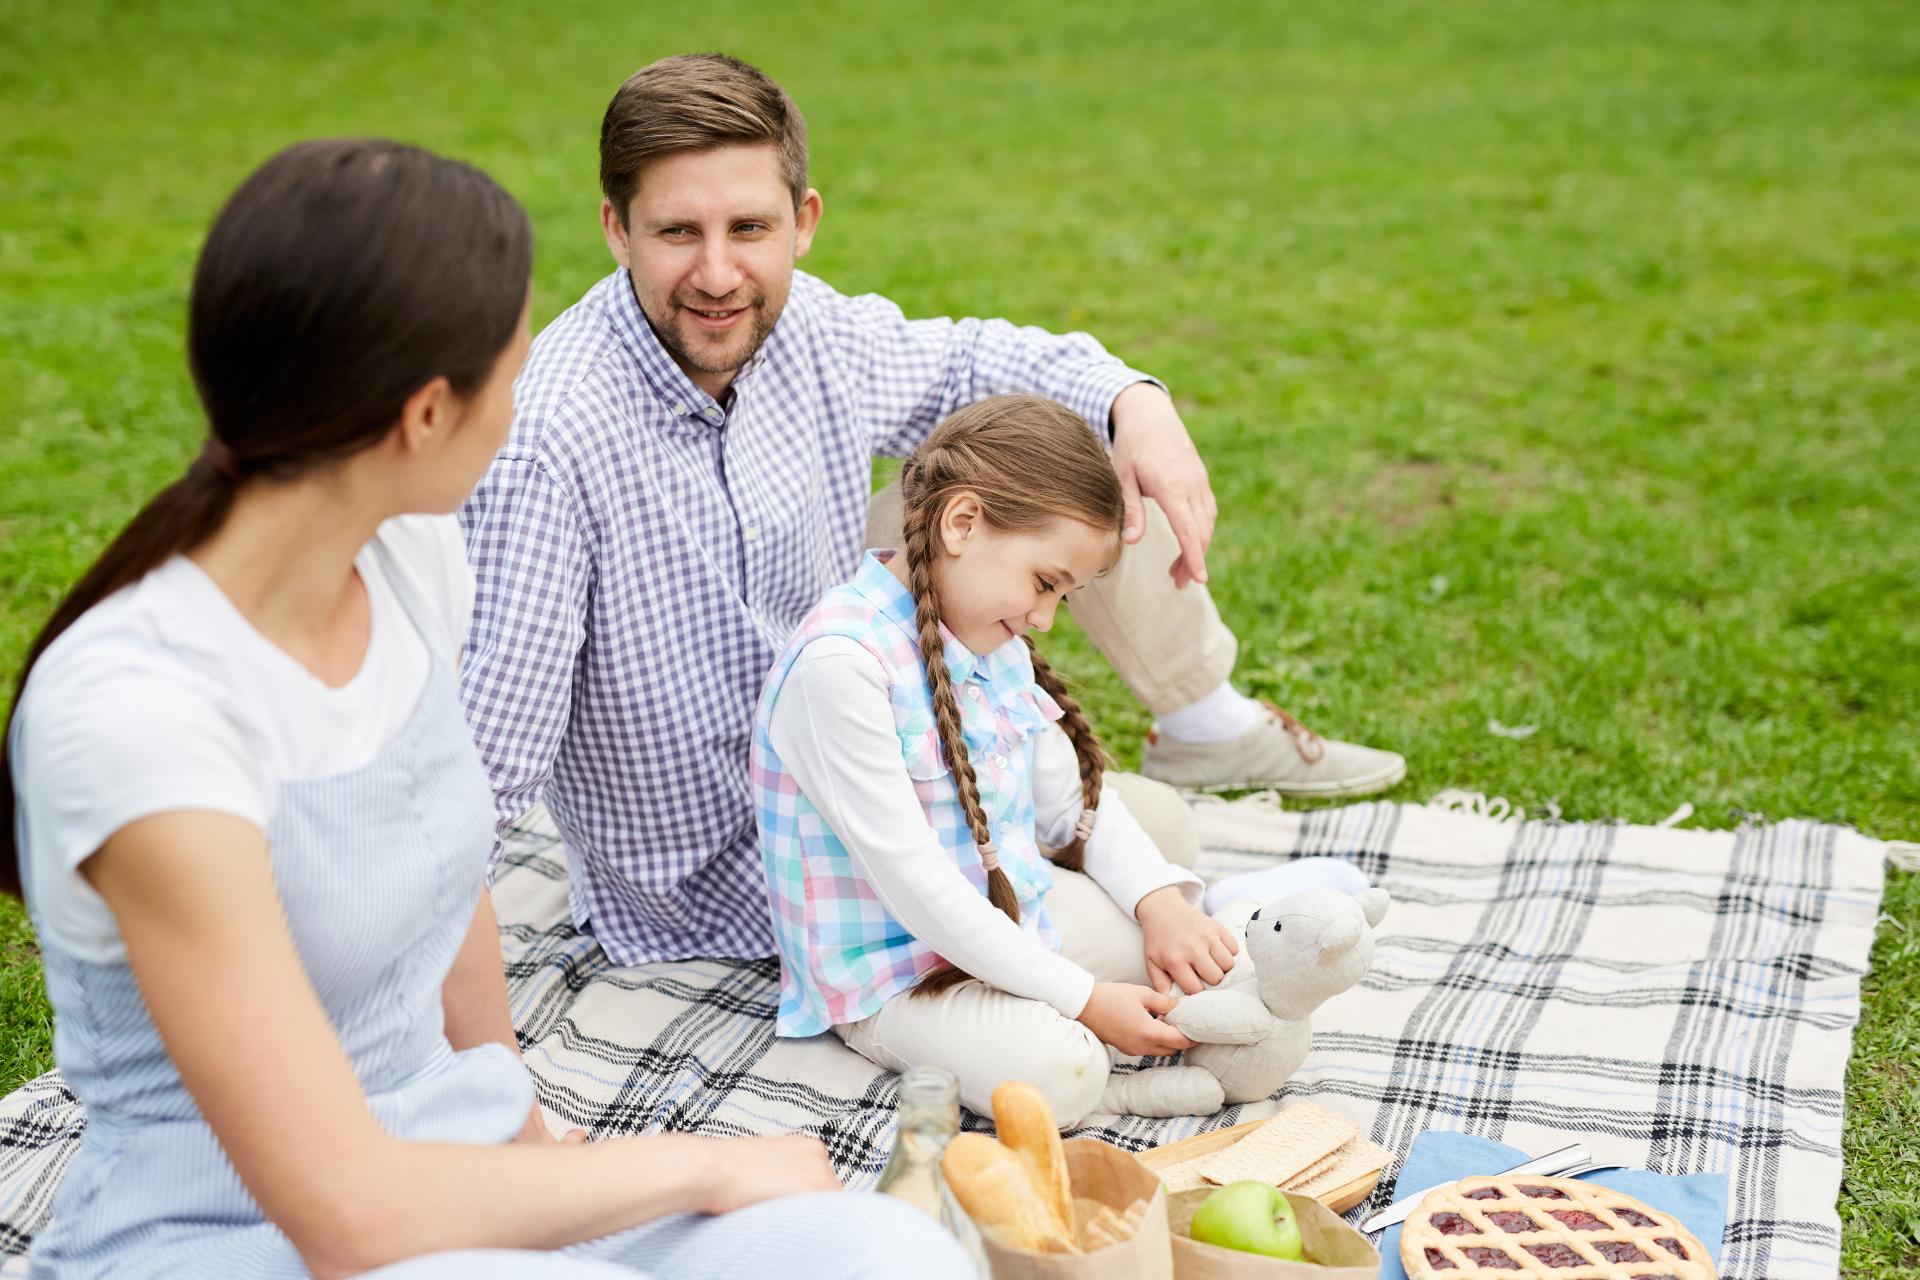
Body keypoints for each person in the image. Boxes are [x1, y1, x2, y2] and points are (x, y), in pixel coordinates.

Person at [1, 139, 967, 1280]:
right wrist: (699, 1164)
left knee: (884, 1252)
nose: (530, 402)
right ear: (424, 414)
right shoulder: (139, 714)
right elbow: (346, 1211)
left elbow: (449, 859)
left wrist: (513, 1114)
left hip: (453, 1174)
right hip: (224, 1237)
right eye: (512, 375)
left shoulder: (407, 559)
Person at [459, 52, 1404, 968]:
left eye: (749, 228)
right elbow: (489, 759)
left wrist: (1132, 401)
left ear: (804, 220)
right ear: (617, 231)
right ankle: (1251, 923)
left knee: (1062, 477)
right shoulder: (546, 438)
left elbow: (966, 363)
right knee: (1130, 916)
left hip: (883, 746)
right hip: (746, 873)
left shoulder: (809, 328)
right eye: (676, 234)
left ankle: (1206, 724)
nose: (716, 274)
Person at [754, 396, 1245, 1128]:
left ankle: (1121, 1002)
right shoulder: (841, 666)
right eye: (1046, 583)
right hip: (896, 978)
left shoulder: (984, 634)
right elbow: (920, 891)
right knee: (1061, 1068)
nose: (1046, 617)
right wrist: (1080, 998)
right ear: (962, 523)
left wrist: (1159, 904)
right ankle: (1104, 1084)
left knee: (1177, 959)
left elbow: (1065, 797)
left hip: (1011, 913)